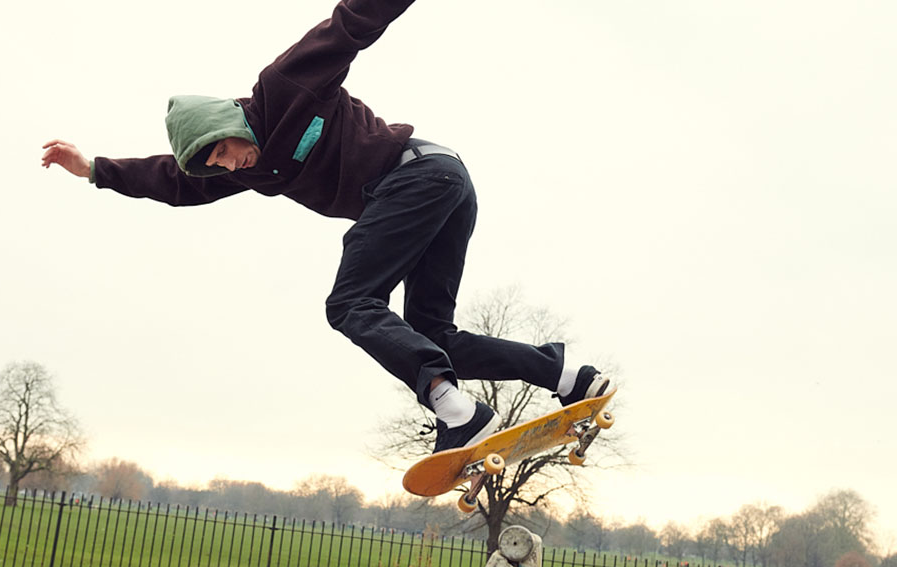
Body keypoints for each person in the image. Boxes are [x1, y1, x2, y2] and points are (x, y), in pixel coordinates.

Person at [40, 0, 613, 454]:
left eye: (220, 153)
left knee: (351, 303)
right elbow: (174, 182)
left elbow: (351, 24)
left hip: (420, 176)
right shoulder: (251, 168)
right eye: (214, 167)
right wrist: (94, 169)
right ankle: (566, 378)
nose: (224, 167)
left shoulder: (283, 86)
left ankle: (457, 410)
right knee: (432, 335)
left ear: (226, 122)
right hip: (437, 189)